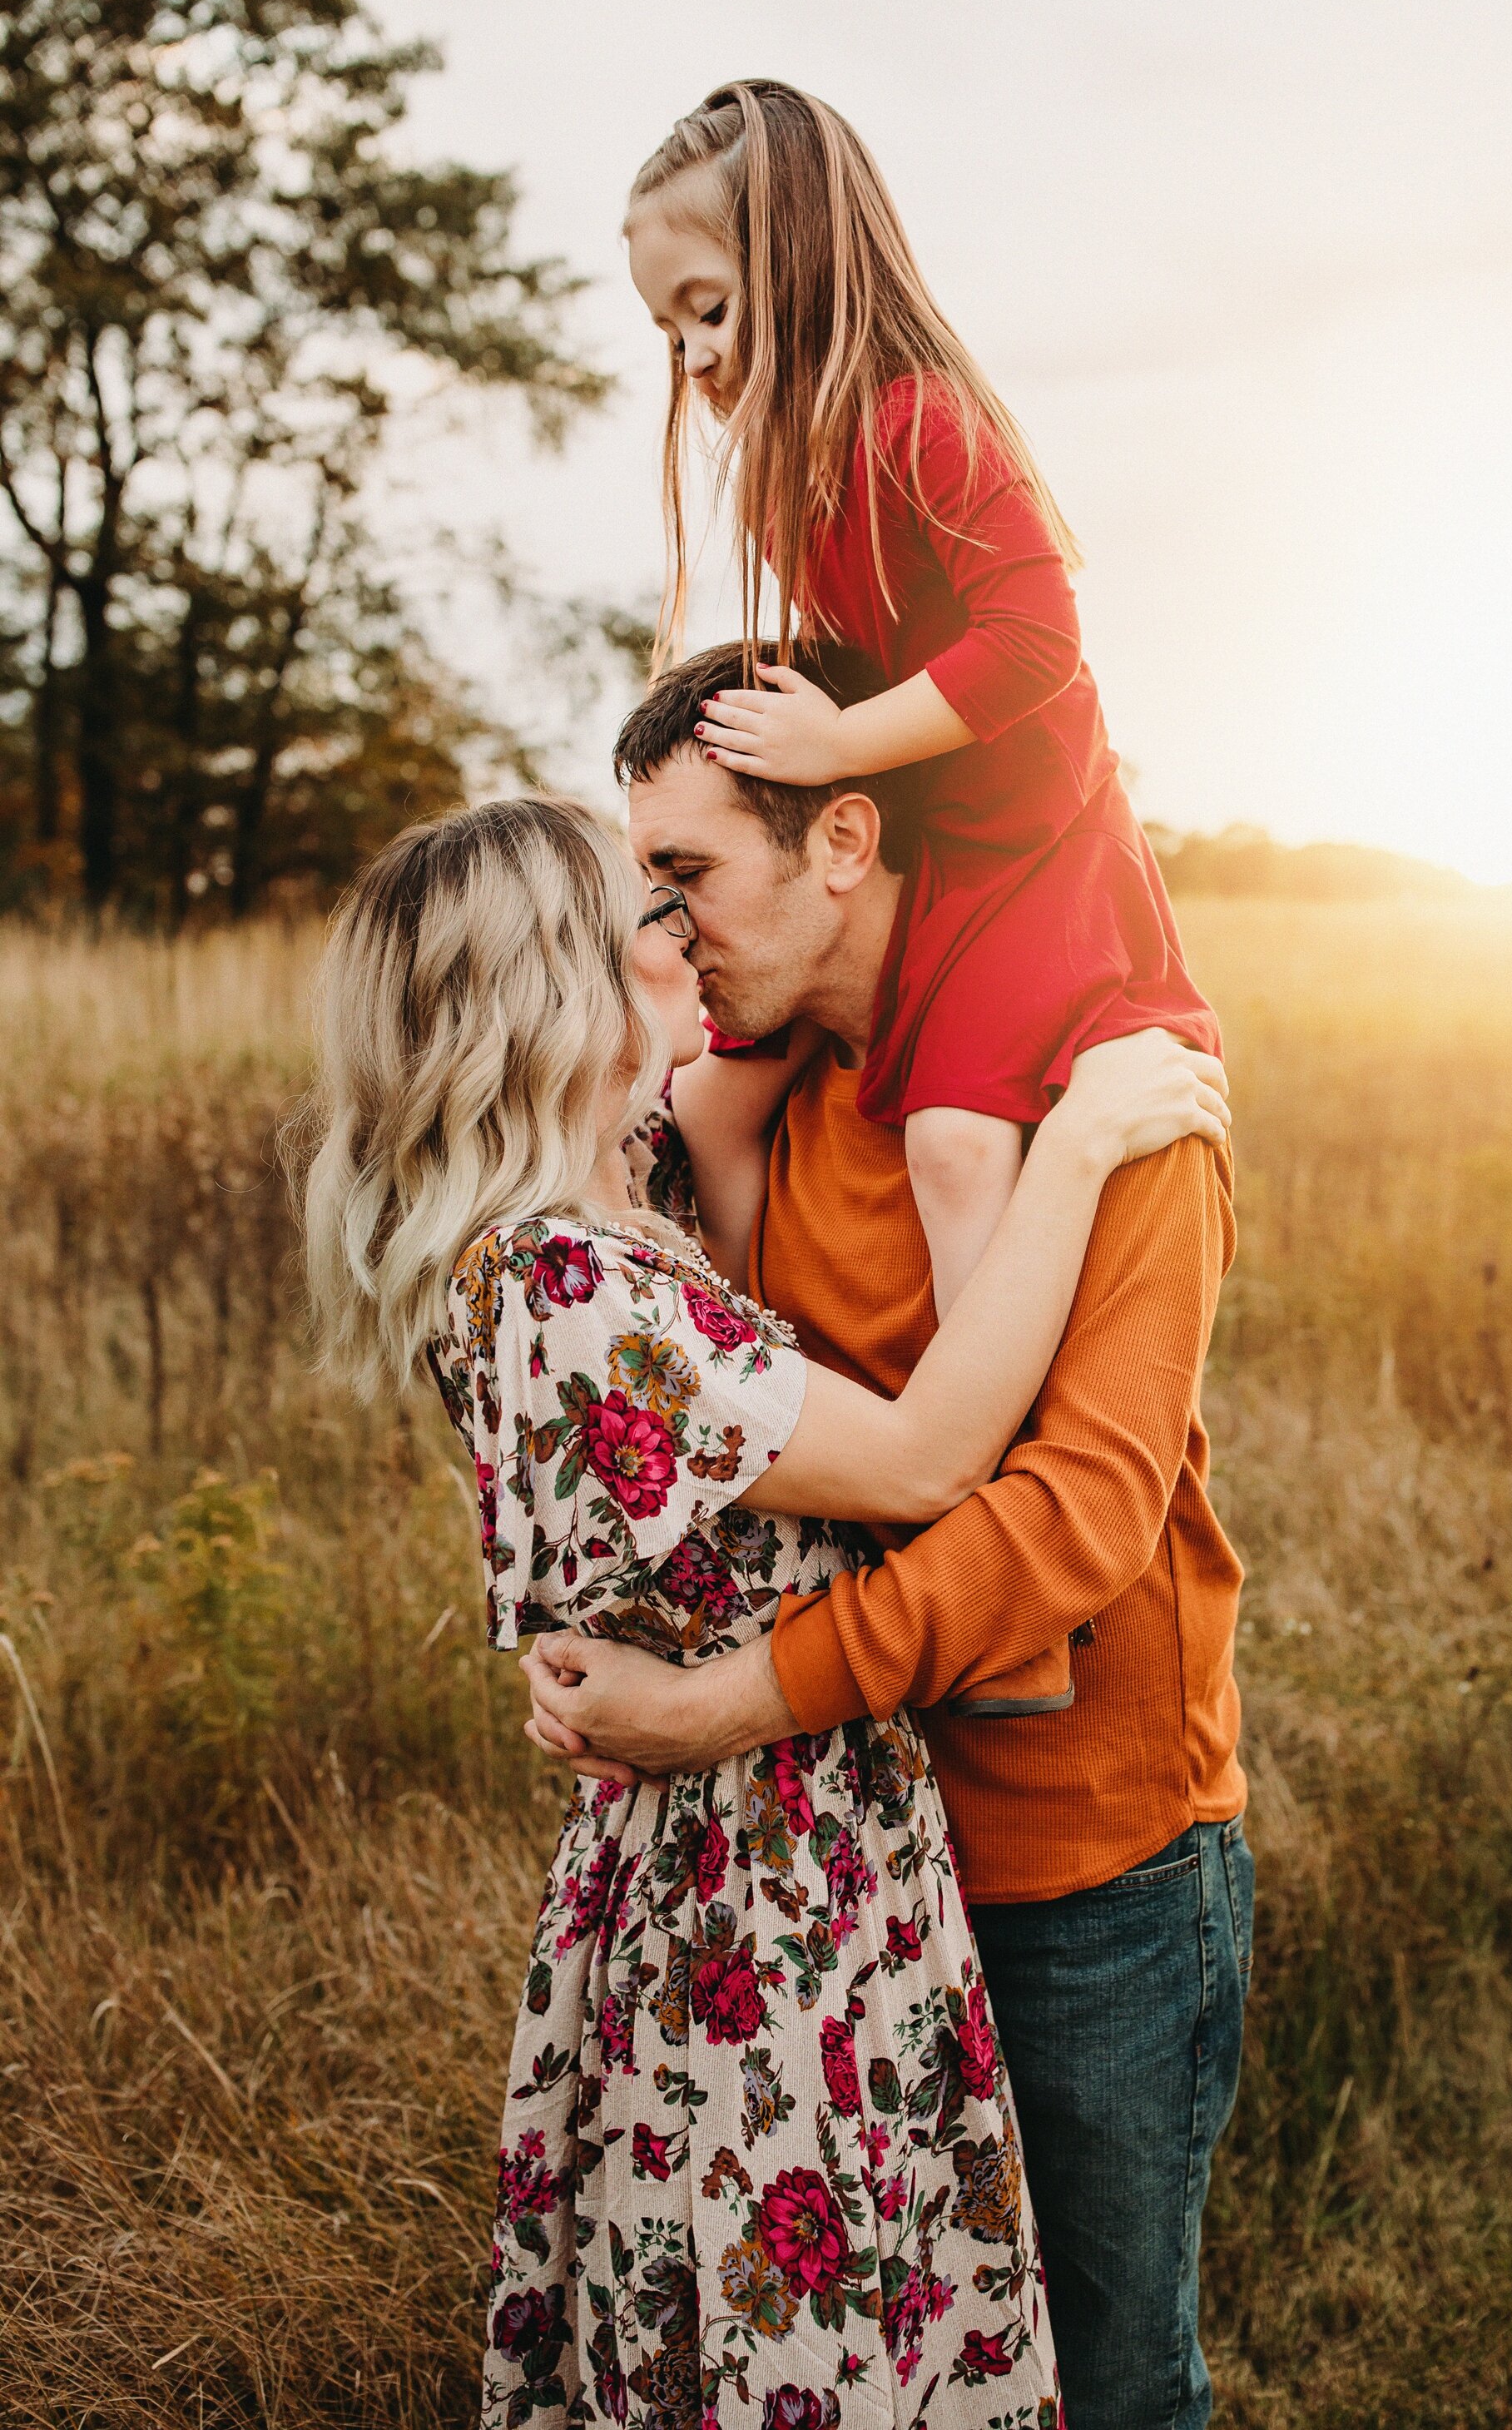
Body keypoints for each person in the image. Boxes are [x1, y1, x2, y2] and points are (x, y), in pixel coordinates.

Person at [296, 795, 1228, 2428]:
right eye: (650, 914)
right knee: (788, 2346)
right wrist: (1076, 1139)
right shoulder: (569, 1286)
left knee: (867, 2329)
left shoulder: (603, 1214)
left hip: (811, 1856)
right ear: (566, 993)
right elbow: (938, 1457)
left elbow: (778, 986)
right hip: (752, 1899)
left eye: (685, 891)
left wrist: (824, 860)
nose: (685, 933)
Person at [523, 679, 1254, 2430]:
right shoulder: (760, 1102)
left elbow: (1071, 1520)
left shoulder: (1120, 1092)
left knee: (1106, 2385)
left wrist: (720, 1707)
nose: (663, 923)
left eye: (687, 868)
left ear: (844, 835)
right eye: (644, 879)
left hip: (1086, 1871)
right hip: (844, 1883)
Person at [624, 77, 1220, 1331]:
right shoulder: (794, 482)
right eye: (672, 333)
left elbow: (1037, 640)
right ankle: (757, 1370)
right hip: (927, 838)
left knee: (953, 1144)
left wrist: (836, 742)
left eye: (712, 310)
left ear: (804, 261)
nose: (696, 358)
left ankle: (974, 1442)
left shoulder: (922, 426)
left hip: (1033, 850)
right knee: (714, 1106)